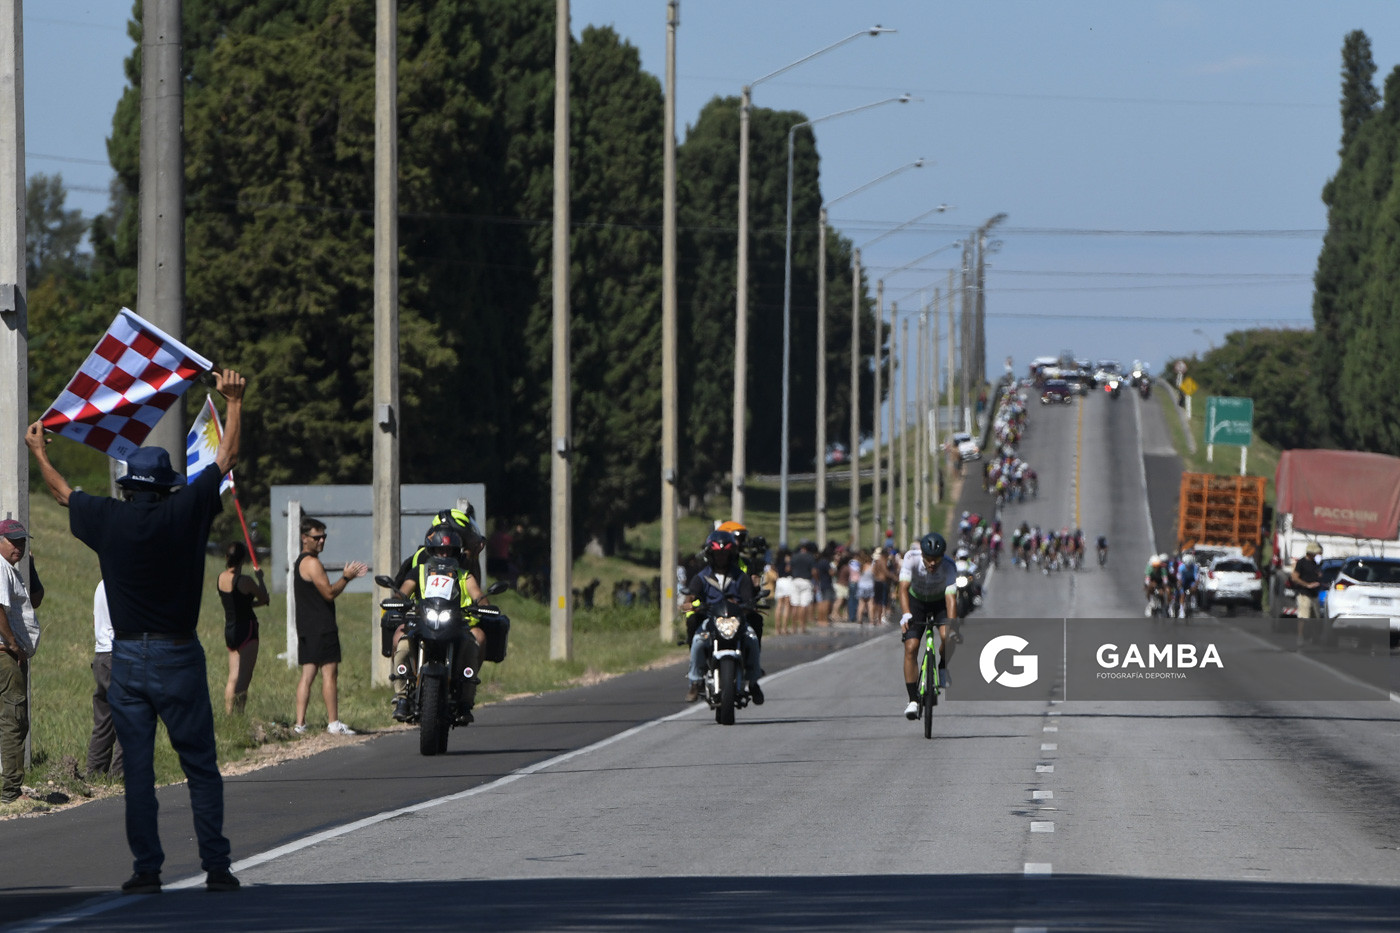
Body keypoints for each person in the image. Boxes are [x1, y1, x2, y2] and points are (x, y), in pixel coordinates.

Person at [26, 368, 245, 894]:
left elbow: (62, 494)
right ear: (169, 485)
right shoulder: (188, 511)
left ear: (127, 489)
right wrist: (234, 402)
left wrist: (39, 451)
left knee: (139, 775)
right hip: (178, 653)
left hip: (126, 659)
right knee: (200, 766)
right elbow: (226, 459)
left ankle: (147, 869)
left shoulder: (108, 520)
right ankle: (216, 866)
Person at [395, 527, 489, 723]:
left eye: (449, 551)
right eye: (440, 550)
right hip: (424, 620)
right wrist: (399, 600)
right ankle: (402, 697)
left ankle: (465, 699)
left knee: (476, 640)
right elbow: (404, 591)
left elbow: (477, 594)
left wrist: (482, 604)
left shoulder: (464, 575)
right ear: (432, 551)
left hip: (457, 623)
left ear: (456, 552)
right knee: (400, 639)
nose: (444, 555)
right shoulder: (419, 571)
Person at [293, 517, 367, 735]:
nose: (322, 541)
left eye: (324, 537)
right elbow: (329, 592)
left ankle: (300, 724)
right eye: (317, 538)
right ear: (304, 538)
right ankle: (333, 723)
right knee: (329, 673)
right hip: (321, 626)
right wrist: (346, 578)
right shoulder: (312, 563)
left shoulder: (301, 561)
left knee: (308, 674)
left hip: (307, 626)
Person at [684, 530, 762, 705]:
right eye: (718, 554)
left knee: (752, 639)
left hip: (737, 621)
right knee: (698, 641)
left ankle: (754, 682)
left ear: (731, 555)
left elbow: (749, 598)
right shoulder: (702, 576)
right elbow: (689, 596)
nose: (721, 558)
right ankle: (695, 681)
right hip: (711, 620)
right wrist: (690, 604)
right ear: (710, 555)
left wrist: (749, 604)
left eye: (725, 554)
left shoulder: (741, 577)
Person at [0, 518, 42, 804]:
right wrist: (14, 644)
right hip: (5, 656)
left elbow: (36, 599)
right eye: (13, 541)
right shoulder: (1, 569)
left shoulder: (12, 571)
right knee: (13, 722)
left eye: (22, 541)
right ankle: (10, 793)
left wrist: (33, 566)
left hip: (9, 655)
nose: (19, 546)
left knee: (15, 722)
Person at [897, 532, 959, 719]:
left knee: (949, 636)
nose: (932, 563)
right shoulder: (911, 558)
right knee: (911, 646)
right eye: (929, 559)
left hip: (939, 603)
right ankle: (913, 700)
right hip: (916, 604)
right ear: (922, 555)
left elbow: (951, 600)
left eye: (936, 559)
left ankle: (941, 667)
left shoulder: (949, 566)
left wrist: (953, 624)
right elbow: (902, 589)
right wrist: (906, 613)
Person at [219, 542, 268, 715]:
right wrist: (260, 578)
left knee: (233, 677)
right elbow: (264, 599)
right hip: (247, 629)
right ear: (243, 560)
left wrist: (246, 605)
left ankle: (229, 715)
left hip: (230, 630)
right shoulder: (245, 581)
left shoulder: (221, 578)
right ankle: (239, 716)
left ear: (227, 558)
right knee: (244, 678)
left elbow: (235, 604)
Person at [86, 580, 123, 779]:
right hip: (118, 654)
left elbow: (95, 620)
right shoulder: (121, 584)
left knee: (104, 720)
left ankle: (94, 773)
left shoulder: (101, 585)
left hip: (101, 655)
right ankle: (120, 775)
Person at [1290, 542, 1323, 647]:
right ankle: (1300, 636)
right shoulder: (1301, 562)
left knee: (1315, 617)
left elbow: (1318, 574)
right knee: (1304, 616)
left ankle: (1314, 637)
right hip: (1304, 594)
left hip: (1314, 594)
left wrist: (1319, 577)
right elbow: (1295, 577)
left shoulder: (1315, 563)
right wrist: (1307, 585)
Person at [788, 541, 817, 635]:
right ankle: (802, 627)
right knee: (804, 605)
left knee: (795, 605)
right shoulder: (810, 557)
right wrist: (816, 581)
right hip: (806, 581)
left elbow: (788, 568)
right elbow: (814, 571)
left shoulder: (794, 556)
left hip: (795, 580)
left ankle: (793, 627)